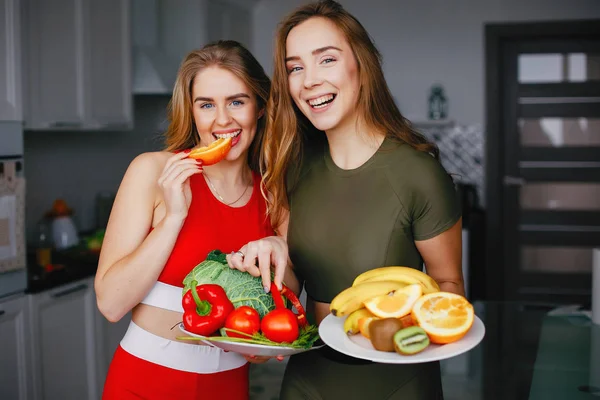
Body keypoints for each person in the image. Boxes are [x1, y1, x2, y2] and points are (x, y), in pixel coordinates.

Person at [228, 1, 464, 398]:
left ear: (361, 64)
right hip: (308, 378)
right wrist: (263, 278)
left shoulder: (419, 174)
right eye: (295, 67)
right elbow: (292, 284)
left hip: (396, 380)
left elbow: (449, 285)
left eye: (326, 60)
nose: (309, 81)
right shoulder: (292, 168)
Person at [94, 40, 273, 400]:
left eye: (237, 101)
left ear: (260, 108)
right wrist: (174, 218)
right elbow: (111, 304)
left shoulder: (272, 192)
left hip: (229, 386)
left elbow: (278, 299)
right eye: (207, 105)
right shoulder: (152, 171)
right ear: (191, 112)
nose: (223, 120)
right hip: (143, 383)